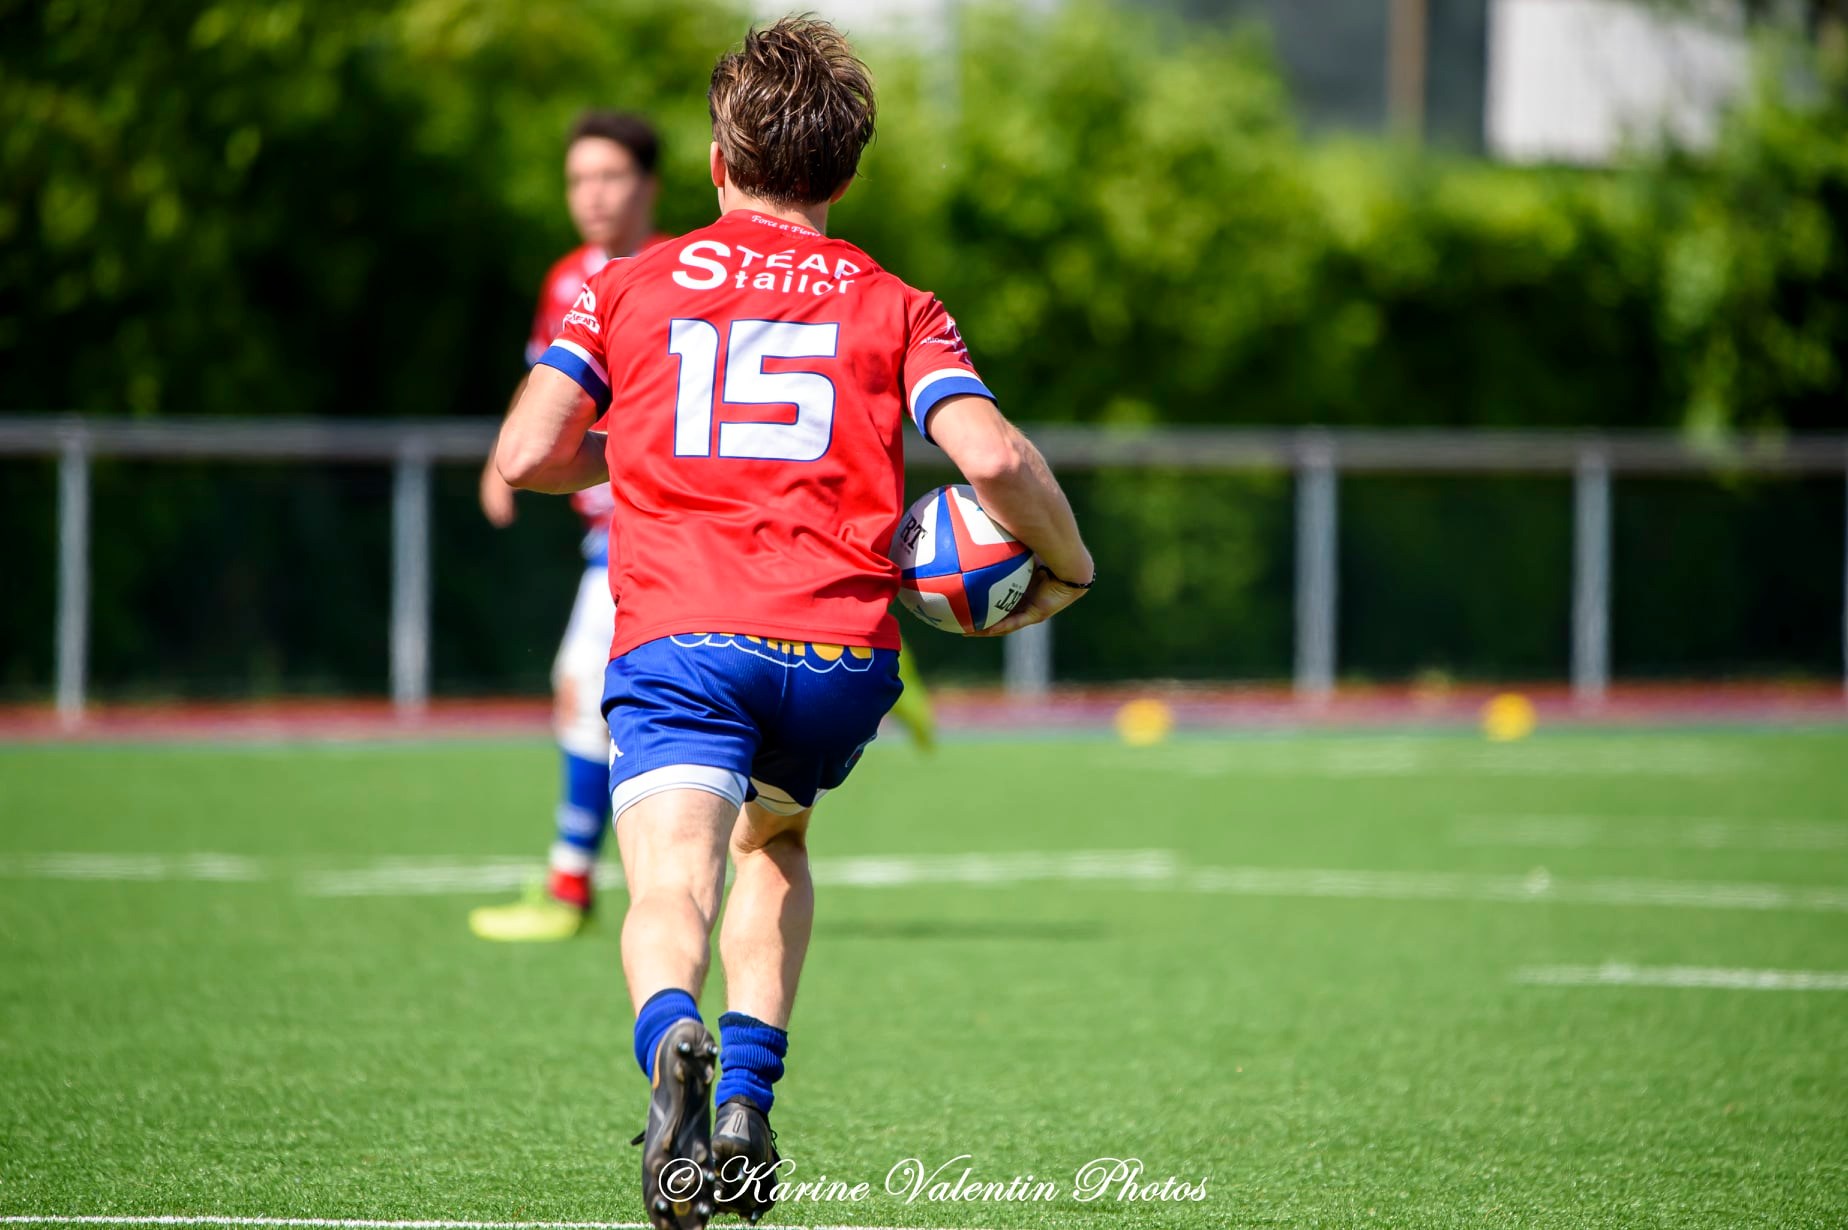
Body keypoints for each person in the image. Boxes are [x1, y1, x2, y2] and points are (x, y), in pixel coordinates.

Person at [494, 17, 1093, 1230]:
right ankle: (751, 1103)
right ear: (847, 170)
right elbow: (994, 455)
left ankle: (674, 1045)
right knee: (775, 841)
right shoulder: (897, 303)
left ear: (720, 158)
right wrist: (1069, 567)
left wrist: (639, 451)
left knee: (672, 881)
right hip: (835, 652)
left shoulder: (626, 284)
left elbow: (528, 453)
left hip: (680, 637)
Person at [469, 110, 668, 943]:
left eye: (610, 176)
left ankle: (570, 883)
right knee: (590, 690)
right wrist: (502, 457)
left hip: (660, 521)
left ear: (650, 185)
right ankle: (574, 878)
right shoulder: (565, 281)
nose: (591, 195)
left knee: (588, 683)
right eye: (578, 178)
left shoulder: (676, 273)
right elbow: (547, 390)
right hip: (604, 531)